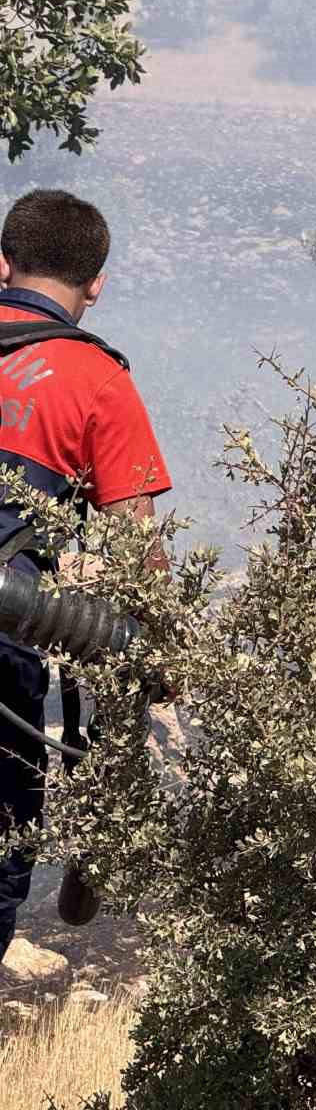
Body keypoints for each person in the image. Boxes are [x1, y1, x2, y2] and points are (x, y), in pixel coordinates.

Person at [0, 190, 172, 964]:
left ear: (4, 263)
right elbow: (141, 558)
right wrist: (166, 655)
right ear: (96, 282)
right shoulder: (98, 380)